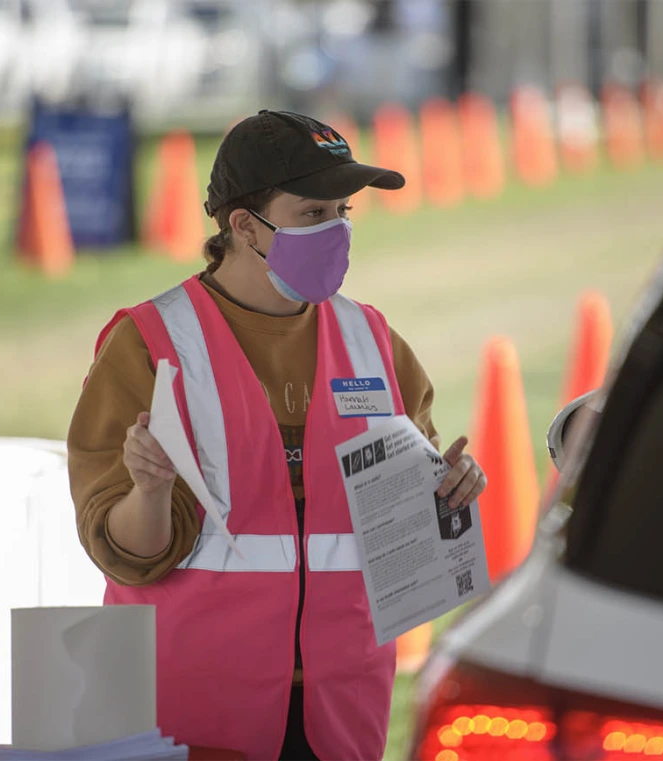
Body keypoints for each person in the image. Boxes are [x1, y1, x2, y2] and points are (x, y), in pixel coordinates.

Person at [67, 109, 488, 761]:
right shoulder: (150, 345)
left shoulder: (372, 340)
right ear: (244, 226)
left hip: (340, 708)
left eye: (344, 210)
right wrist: (148, 493)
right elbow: (123, 551)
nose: (338, 229)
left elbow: (410, 528)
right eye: (314, 213)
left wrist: (451, 495)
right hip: (193, 714)